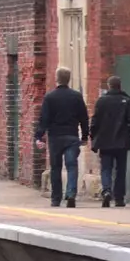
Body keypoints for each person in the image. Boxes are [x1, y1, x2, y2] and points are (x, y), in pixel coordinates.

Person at [34, 66, 89, 208]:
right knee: (72, 166)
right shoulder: (76, 96)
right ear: (68, 79)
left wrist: (39, 136)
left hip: (55, 137)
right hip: (71, 135)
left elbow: (44, 119)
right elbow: (84, 117)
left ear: (56, 78)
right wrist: (84, 135)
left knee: (56, 167)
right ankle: (71, 194)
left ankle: (56, 199)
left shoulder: (50, 97)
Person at [89, 75, 130, 208]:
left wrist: (93, 136)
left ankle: (106, 190)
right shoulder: (127, 101)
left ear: (109, 86)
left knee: (106, 168)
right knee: (120, 170)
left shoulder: (101, 101)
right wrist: (128, 134)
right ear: (120, 86)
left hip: (105, 141)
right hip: (121, 141)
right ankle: (119, 198)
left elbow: (94, 122)